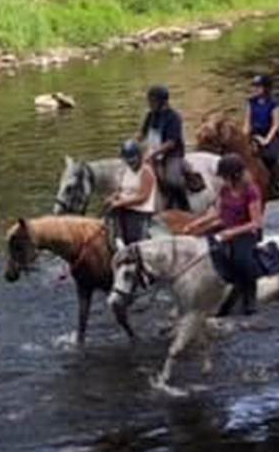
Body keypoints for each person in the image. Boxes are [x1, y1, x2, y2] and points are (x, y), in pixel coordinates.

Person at [188, 154, 264, 317]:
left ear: (235, 176)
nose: (222, 180)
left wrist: (232, 232)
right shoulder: (224, 189)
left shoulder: (251, 191)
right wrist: (197, 223)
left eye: (225, 177)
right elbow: (218, 213)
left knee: (241, 260)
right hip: (225, 230)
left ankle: (250, 298)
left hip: (245, 233)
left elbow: (256, 223)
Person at [137, 84, 191, 212]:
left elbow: (171, 143)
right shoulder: (150, 116)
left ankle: (185, 207)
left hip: (171, 155)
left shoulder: (174, 117)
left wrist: (153, 154)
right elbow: (142, 134)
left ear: (161, 101)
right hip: (152, 153)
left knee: (172, 180)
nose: (149, 104)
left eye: (152, 101)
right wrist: (133, 143)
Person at [104, 139, 159, 246]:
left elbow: (143, 197)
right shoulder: (125, 170)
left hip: (140, 212)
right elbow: (120, 190)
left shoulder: (146, 172)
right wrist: (112, 198)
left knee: (137, 245)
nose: (130, 163)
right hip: (122, 209)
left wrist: (120, 203)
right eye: (128, 160)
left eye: (133, 160)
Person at [245, 74, 279, 196]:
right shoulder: (251, 102)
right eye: (255, 87)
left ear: (266, 88)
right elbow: (247, 122)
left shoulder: (274, 103)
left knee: (271, 156)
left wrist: (266, 140)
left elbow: (276, 124)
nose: (255, 89)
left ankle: (277, 183)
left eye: (259, 87)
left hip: (270, 134)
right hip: (255, 133)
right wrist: (244, 137)